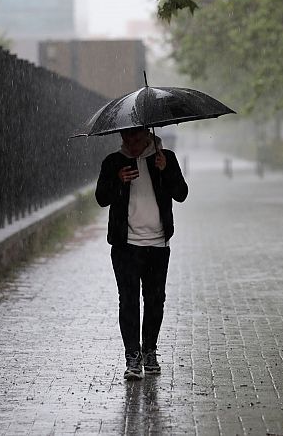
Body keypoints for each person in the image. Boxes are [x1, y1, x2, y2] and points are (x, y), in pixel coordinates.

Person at [95, 126, 188, 380]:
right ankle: (132, 357)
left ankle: (150, 351)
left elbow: (181, 194)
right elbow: (101, 198)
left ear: (147, 133)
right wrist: (118, 180)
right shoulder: (113, 162)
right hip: (125, 246)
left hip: (158, 244)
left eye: (135, 136)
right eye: (125, 137)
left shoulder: (164, 157)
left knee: (156, 300)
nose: (130, 141)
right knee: (128, 301)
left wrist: (165, 169)